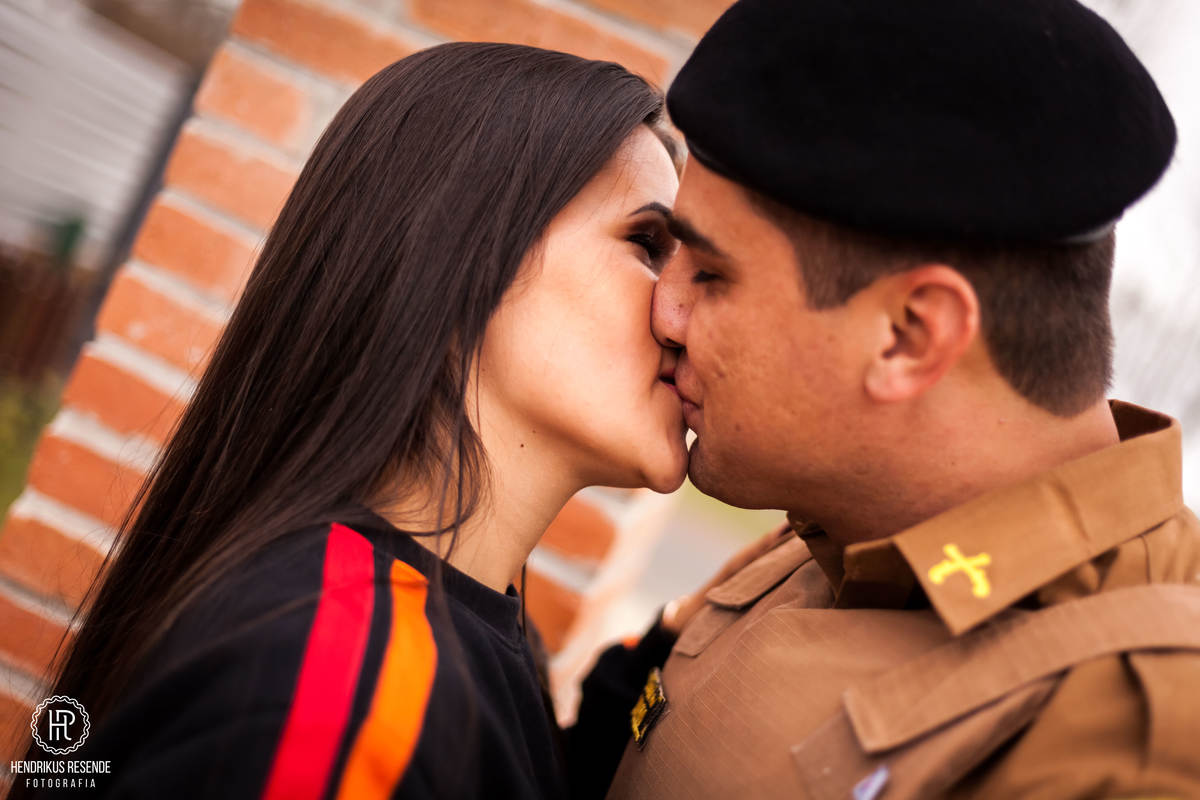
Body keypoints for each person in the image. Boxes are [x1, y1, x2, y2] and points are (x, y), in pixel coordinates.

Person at [12, 42, 697, 800]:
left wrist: (663, 659)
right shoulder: (337, 701)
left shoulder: (434, 637)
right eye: (646, 243)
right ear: (461, 254)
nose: (683, 308)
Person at [602, 0, 1200, 798]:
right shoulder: (850, 521)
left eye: (711, 275)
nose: (664, 312)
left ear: (910, 337)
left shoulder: (1131, 737)